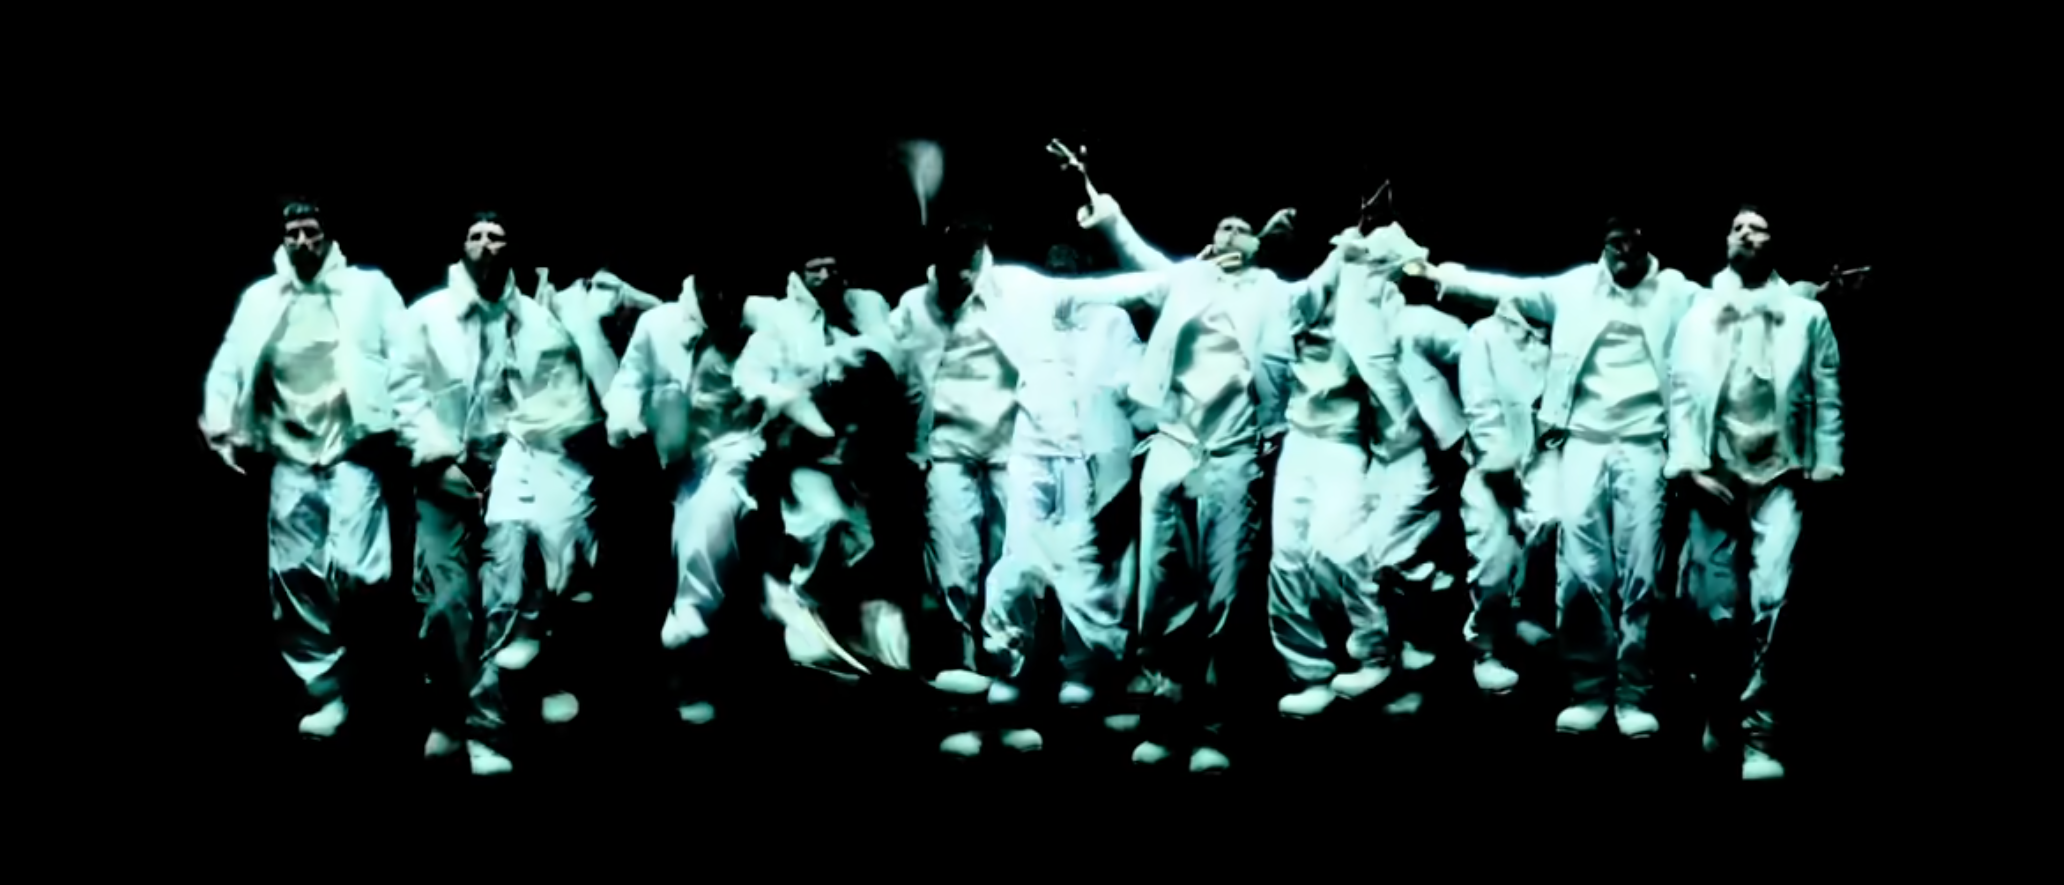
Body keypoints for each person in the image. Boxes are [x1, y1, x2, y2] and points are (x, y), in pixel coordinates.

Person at [1070, 186, 1343, 771]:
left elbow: (1322, 286)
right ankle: (1166, 719)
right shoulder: (1186, 279)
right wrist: (1103, 206)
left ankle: (1215, 728)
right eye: (1222, 226)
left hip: (1232, 453)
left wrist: (1355, 241)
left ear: (1261, 242)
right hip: (1172, 445)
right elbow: (1134, 252)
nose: (1229, 233)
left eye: (1242, 227)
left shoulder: (1274, 292)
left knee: (1225, 596)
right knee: (1161, 590)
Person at [1416, 216, 1702, 737]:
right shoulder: (1574, 287)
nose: (1623, 248)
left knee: (1640, 574)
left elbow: (1734, 308)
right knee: (1580, 571)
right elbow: (1507, 289)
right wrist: (1443, 277)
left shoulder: (1676, 292)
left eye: (1632, 238)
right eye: (1614, 239)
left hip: (1644, 444)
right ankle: (1588, 689)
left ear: (1647, 239)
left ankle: (1633, 693)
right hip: (1584, 443)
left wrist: (1812, 292)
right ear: (1604, 242)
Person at [889, 218, 1162, 757]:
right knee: (1013, 560)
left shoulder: (1110, 321)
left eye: (1071, 262)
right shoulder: (1018, 309)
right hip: (1028, 451)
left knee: (1084, 566)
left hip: (1085, 457)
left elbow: (1137, 384)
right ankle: (1008, 673)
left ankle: (1082, 673)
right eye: (1052, 263)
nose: (1061, 270)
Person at [390, 211, 644, 776]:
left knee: (509, 597)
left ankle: (489, 728)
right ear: (462, 246)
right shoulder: (425, 315)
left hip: (512, 473)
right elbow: (403, 394)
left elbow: (561, 403)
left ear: (510, 249)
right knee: (447, 606)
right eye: (476, 235)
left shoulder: (537, 322)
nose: (486, 244)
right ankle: (449, 714)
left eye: (497, 236)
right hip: (444, 478)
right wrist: (436, 459)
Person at [198, 198, 408, 741]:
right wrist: (220, 425)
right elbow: (230, 363)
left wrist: (417, 427)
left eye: (310, 230)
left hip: (349, 451)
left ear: (328, 235)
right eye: (291, 232)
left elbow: (408, 356)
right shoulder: (260, 299)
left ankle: (372, 671)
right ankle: (327, 689)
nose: (300, 241)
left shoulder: (368, 289)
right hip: (291, 457)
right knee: (293, 577)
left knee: (363, 575)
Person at [1667, 205, 1844, 780]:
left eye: (1758, 226)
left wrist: (1826, 464)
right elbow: (1680, 392)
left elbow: (1827, 391)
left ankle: (1761, 733)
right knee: (1711, 609)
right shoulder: (1699, 313)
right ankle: (1718, 707)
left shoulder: (1807, 314)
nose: (1745, 232)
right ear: (1725, 241)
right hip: (1716, 474)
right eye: (1737, 226)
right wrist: (1688, 469)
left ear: (1774, 243)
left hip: (1781, 474)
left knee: (1775, 600)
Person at [736, 253, 918, 680]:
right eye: (814, 268)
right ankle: (804, 623)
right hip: (805, 454)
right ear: (799, 273)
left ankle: (858, 635)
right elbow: (749, 378)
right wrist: (791, 401)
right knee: (823, 526)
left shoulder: (868, 307)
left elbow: (897, 365)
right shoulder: (779, 318)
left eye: (832, 266)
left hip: (863, 454)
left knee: (864, 542)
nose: (825, 274)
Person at [604, 260, 768, 727]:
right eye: (716, 289)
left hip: (740, 449)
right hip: (671, 459)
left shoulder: (765, 321)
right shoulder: (658, 326)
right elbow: (629, 382)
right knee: (672, 556)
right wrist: (625, 420)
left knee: (716, 517)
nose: (724, 299)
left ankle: (696, 624)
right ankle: (678, 681)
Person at [1457, 297, 1559, 693]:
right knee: (1492, 558)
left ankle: (1527, 618)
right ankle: (1485, 647)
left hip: (1551, 458)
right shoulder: (1484, 335)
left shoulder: (1570, 330)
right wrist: (1499, 460)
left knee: (1555, 533)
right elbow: (1480, 405)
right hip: (1495, 464)